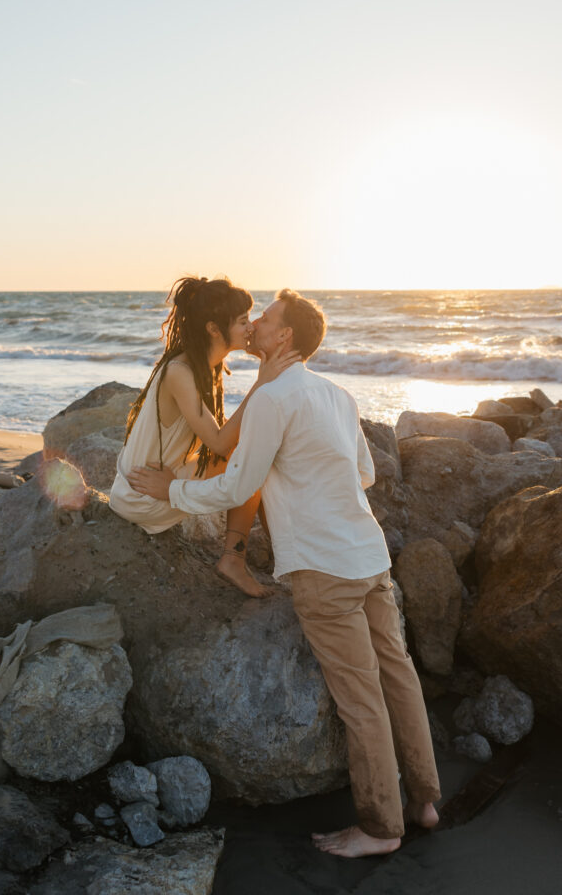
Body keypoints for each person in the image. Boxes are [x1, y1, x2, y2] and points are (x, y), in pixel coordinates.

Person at [127, 288, 442, 857]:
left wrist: (169, 489)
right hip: (369, 557)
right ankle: (424, 800)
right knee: (399, 676)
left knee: (361, 699)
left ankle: (379, 829)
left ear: (285, 337)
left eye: (264, 320)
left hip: (324, 568)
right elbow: (364, 473)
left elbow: (235, 486)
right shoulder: (339, 396)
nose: (254, 328)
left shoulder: (272, 400)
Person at [109, 276, 298, 598]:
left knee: (255, 454)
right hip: (144, 493)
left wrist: (263, 356)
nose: (250, 326)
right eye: (242, 321)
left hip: (153, 481)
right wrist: (261, 382)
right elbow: (222, 444)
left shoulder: (203, 365)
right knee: (257, 466)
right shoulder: (180, 372)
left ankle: (279, 556)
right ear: (214, 329)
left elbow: (226, 439)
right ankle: (237, 560)